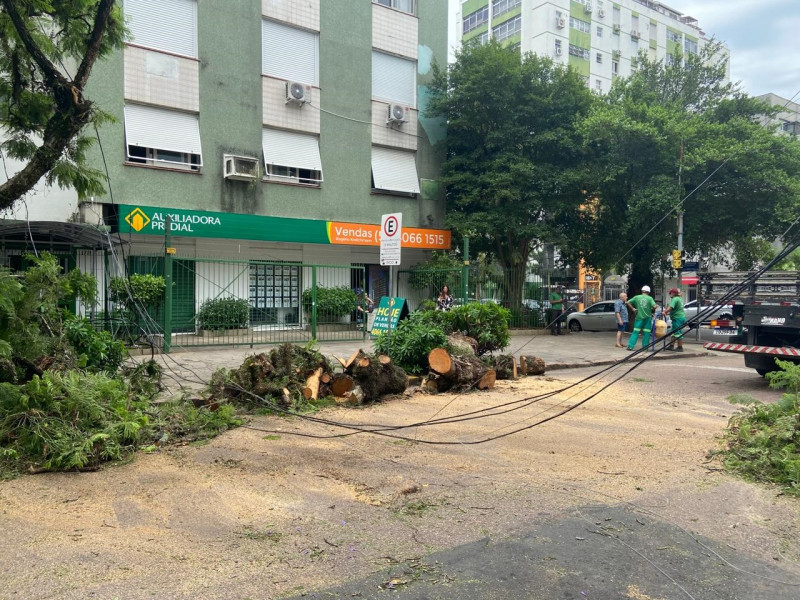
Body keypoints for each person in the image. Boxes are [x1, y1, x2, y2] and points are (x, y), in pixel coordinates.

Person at [626, 285, 656, 350]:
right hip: (647, 318)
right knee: (647, 333)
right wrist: (652, 310)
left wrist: (633, 308)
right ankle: (645, 347)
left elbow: (627, 302)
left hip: (639, 318)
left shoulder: (637, 297)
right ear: (649, 292)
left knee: (635, 332)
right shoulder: (650, 298)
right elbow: (654, 306)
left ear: (642, 291)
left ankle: (630, 346)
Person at [664, 287, 686, 351]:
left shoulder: (675, 299)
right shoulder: (679, 298)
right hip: (679, 317)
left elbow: (671, 307)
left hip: (677, 318)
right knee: (673, 332)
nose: (669, 294)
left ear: (673, 293)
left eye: (670, 293)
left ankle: (680, 347)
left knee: (678, 332)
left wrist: (665, 312)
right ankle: (671, 345)